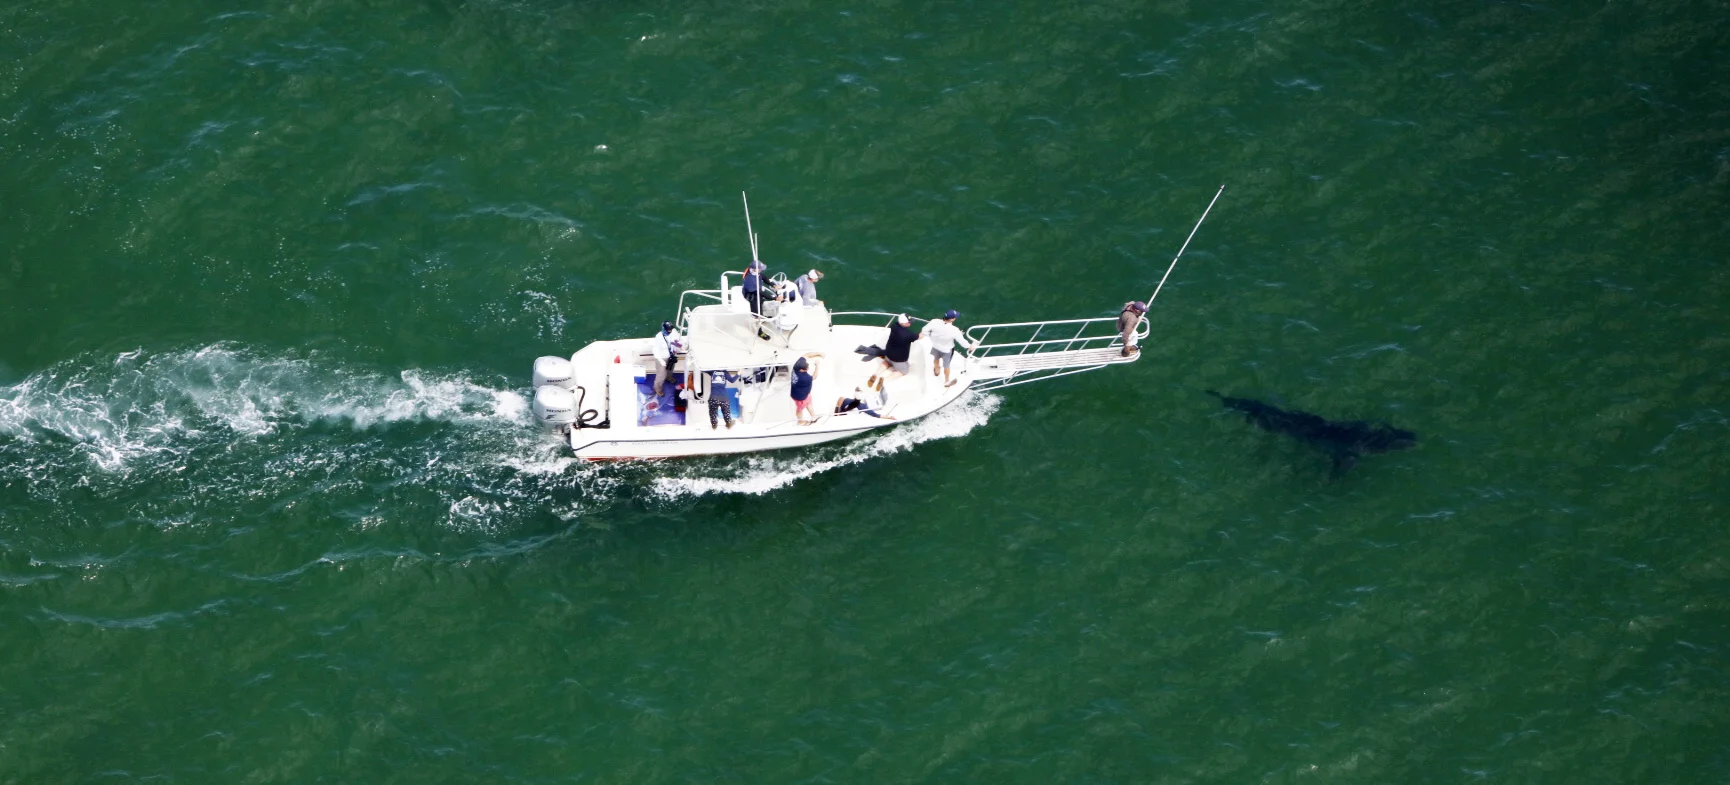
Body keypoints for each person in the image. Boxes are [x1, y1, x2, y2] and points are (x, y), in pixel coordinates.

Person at [920, 309, 976, 388]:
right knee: (946, 365)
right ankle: (946, 381)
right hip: (947, 350)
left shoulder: (934, 321)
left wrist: (932, 336)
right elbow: (962, 341)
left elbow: (924, 331)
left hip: (935, 346)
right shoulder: (955, 330)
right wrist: (970, 347)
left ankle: (936, 370)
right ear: (952, 319)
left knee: (936, 358)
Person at [651, 320, 684, 397]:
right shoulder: (658, 337)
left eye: (671, 329)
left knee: (670, 369)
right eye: (668, 329)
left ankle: (669, 377)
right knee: (661, 375)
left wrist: (678, 344)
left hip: (672, 355)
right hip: (662, 357)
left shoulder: (674, 332)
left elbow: (679, 340)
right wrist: (661, 360)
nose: (670, 330)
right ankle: (657, 389)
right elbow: (655, 350)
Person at [881, 313, 919, 378]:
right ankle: (884, 379)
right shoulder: (908, 334)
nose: (910, 323)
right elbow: (919, 336)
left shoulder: (894, 326)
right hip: (898, 360)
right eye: (909, 322)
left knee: (887, 362)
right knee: (904, 371)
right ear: (903, 323)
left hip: (888, 354)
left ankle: (877, 374)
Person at [790, 354, 822, 425]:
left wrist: (819, 354)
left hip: (805, 394)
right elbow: (814, 377)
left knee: (809, 403)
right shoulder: (804, 378)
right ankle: (800, 421)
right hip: (800, 397)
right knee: (799, 409)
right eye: (807, 368)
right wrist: (817, 365)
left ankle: (813, 417)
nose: (808, 368)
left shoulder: (795, 367)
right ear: (801, 370)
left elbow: (806, 355)